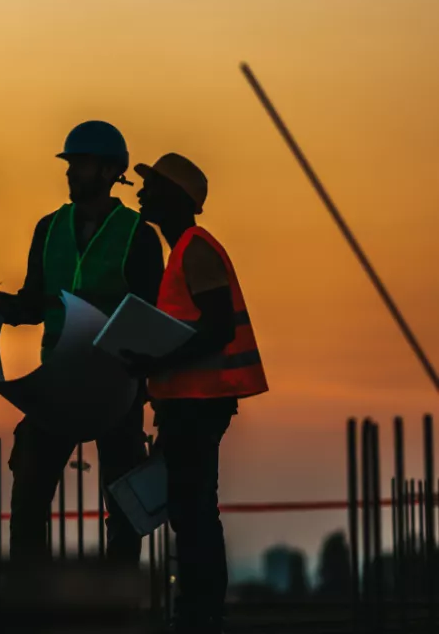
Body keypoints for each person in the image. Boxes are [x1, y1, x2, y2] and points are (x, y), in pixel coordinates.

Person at [0, 120, 164, 566]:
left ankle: (116, 602)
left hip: (115, 388)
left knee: (123, 505)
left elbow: (151, 320)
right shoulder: (49, 229)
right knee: (28, 497)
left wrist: (145, 389)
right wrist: (2, 307)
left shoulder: (136, 235)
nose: (70, 173)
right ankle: (34, 602)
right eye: (70, 165)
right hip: (58, 384)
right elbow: (37, 301)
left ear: (107, 172)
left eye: (79, 165)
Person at [125, 153, 269, 634]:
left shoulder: (195, 249)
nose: (142, 193)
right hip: (187, 402)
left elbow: (216, 329)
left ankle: (201, 610)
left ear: (175, 198)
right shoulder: (183, 250)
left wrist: (155, 361)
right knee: (189, 509)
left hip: (201, 403)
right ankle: (200, 607)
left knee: (194, 509)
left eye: (152, 186)